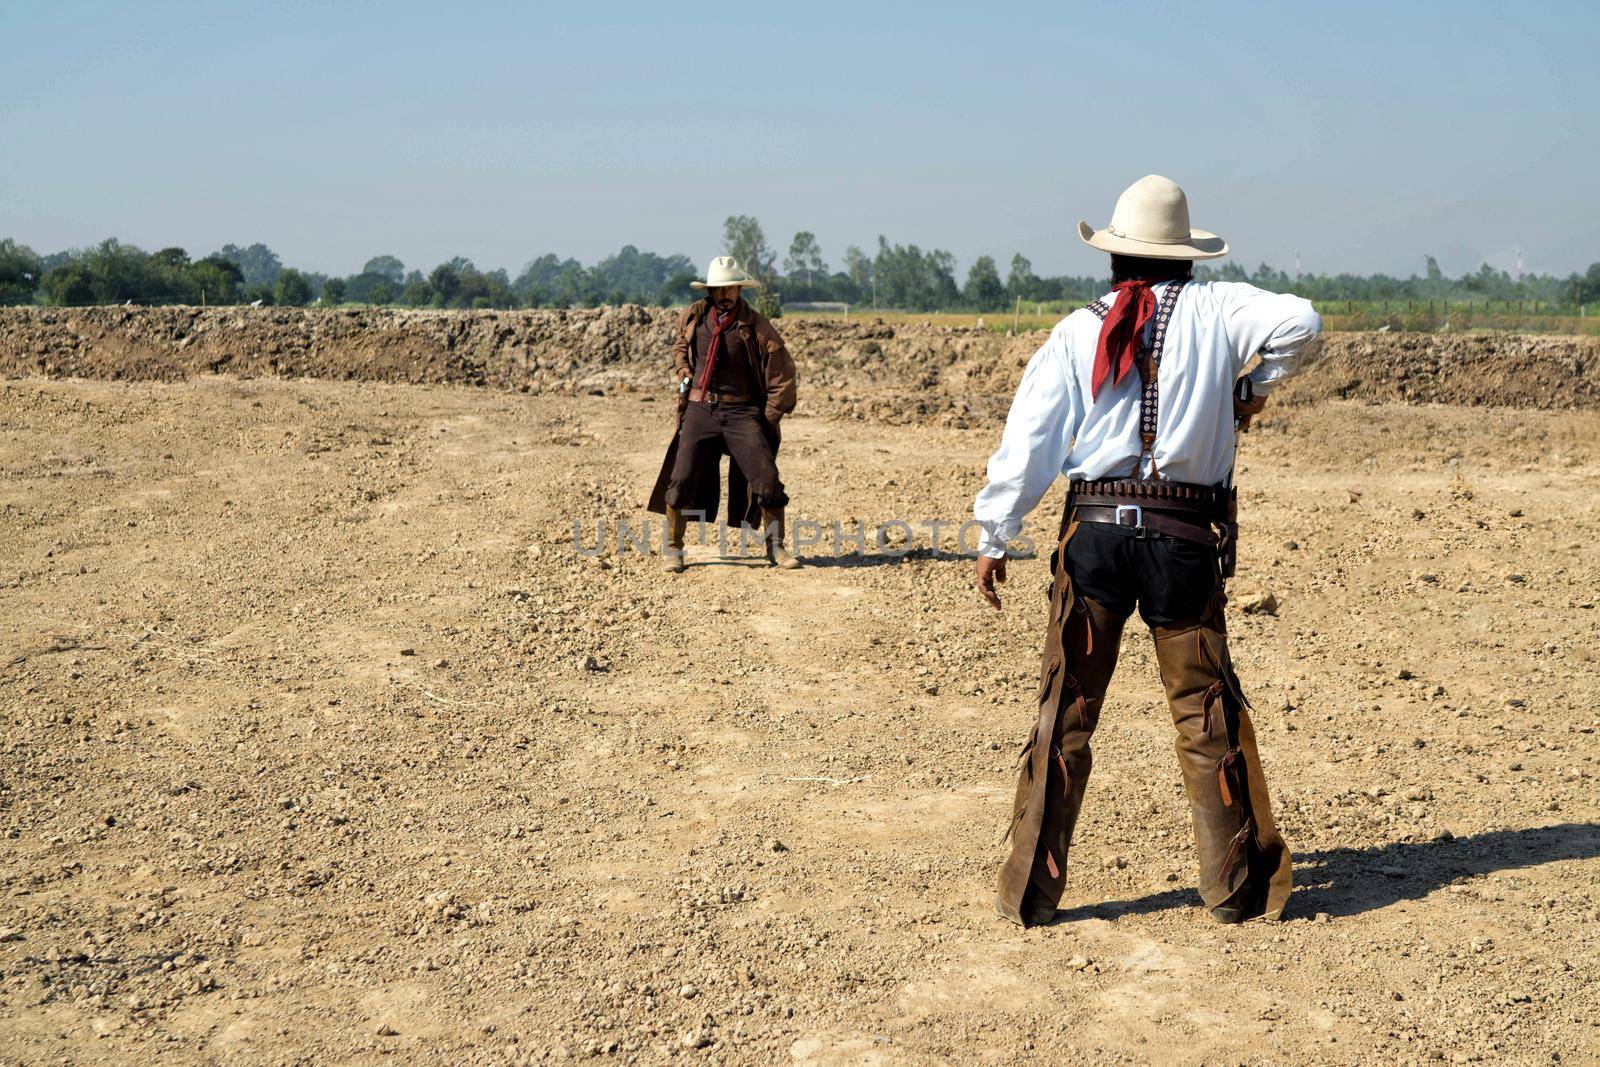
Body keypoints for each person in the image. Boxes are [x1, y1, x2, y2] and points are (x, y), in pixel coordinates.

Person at [975, 175, 1323, 927]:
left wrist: (995, 533)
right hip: (1182, 539)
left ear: (1115, 258)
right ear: (1186, 257)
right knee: (1204, 714)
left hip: (1094, 539)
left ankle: (1029, 891)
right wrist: (1253, 384)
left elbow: (1031, 436)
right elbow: (1303, 320)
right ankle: (1234, 890)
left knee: (1065, 708)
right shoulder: (1221, 310)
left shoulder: (1079, 329)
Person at [647, 257, 799, 572]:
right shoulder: (695, 316)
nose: (725, 293)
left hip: (742, 412)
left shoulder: (755, 324)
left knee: (767, 479)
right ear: (711, 291)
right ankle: (674, 548)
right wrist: (683, 369)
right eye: (719, 288)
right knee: (682, 476)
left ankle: (777, 547)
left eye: (730, 287)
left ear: (740, 289)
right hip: (700, 408)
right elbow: (679, 347)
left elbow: (782, 375)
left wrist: (767, 418)